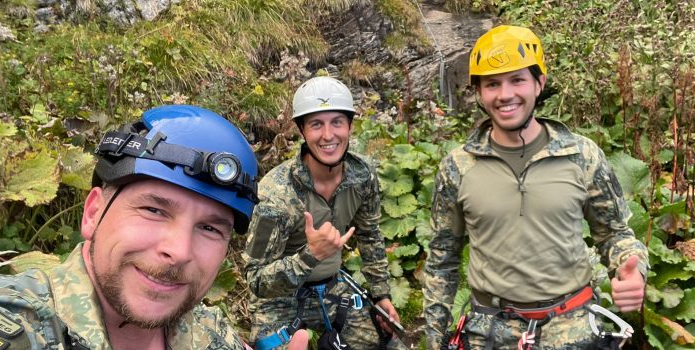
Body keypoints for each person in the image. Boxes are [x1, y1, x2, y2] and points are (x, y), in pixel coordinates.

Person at [0, 105, 308, 350]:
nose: (179, 251)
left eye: (210, 229)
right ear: (93, 213)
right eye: (154, 210)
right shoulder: (15, 321)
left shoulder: (210, 331)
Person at [422, 25, 649, 349]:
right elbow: (442, 260)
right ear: (479, 93)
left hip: (573, 327)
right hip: (490, 330)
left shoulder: (582, 156)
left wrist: (634, 270)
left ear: (539, 83)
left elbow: (615, 234)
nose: (505, 95)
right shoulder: (457, 167)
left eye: (517, 80)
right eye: (492, 84)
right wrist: (434, 338)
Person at [242, 76, 405, 349]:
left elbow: (370, 236)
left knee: (388, 342)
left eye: (337, 122)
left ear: (350, 126)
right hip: (279, 299)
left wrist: (381, 295)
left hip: (333, 287)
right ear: (303, 131)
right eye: (316, 124)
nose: (328, 135)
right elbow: (257, 280)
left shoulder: (362, 175)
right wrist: (311, 255)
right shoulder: (277, 193)